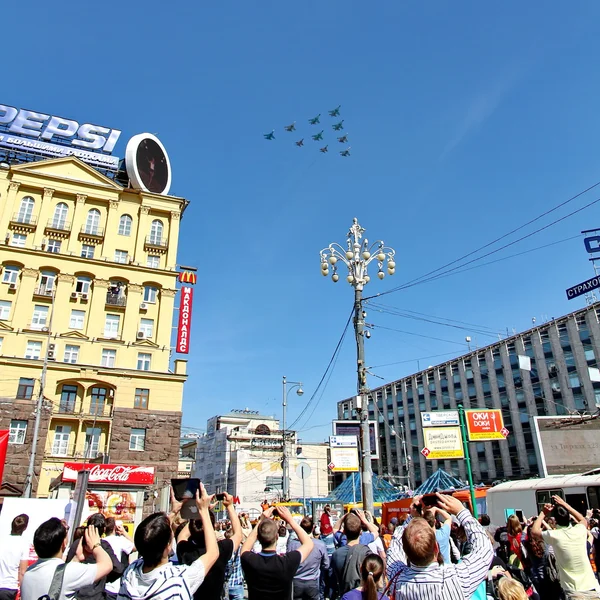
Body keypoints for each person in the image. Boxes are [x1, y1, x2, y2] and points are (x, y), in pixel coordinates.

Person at [118, 484, 219, 600]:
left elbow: (151, 539)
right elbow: (212, 553)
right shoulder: (177, 579)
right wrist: (204, 511)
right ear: (168, 547)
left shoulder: (130, 573)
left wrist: (174, 512)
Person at [386, 493, 493, 599]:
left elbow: (395, 546)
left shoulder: (397, 579)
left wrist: (412, 516)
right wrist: (461, 511)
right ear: (436, 548)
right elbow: (484, 549)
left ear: (406, 552)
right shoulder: (456, 579)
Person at [21, 520, 113, 600]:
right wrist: (96, 545)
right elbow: (107, 565)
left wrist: (76, 558)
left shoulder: (28, 573)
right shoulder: (69, 572)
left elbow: (60, 577)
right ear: (63, 544)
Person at [531, 495, 600, 599]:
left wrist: (543, 512)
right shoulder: (579, 530)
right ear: (569, 517)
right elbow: (583, 520)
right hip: (592, 587)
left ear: (556, 521)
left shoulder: (555, 535)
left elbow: (534, 531)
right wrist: (564, 504)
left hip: (573, 591)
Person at [177, 491, 243, 600]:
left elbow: (182, 536)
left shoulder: (185, 550)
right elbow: (238, 535)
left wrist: (202, 510)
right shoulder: (221, 549)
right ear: (212, 527)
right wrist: (230, 506)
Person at [241, 505, 313, 600]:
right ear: (277, 537)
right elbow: (309, 544)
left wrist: (260, 521)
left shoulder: (251, 560)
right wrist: (290, 520)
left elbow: (245, 547)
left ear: (258, 538)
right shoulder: (287, 562)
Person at [65, 513, 125, 600]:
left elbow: (69, 566)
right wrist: (103, 575)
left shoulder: (77, 544)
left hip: (76, 593)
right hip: (96, 594)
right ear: (104, 529)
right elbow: (118, 569)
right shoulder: (103, 546)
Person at [331, 512, 374, 597]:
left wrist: (343, 518)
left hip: (344, 593)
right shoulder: (364, 543)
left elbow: (335, 529)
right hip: (362, 594)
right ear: (361, 532)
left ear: (344, 531)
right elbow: (375, 531)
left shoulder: (337, 553)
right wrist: (364, 520)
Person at [287, 517, 329, 600]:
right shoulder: (320, 545)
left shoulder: (292, 545)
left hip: (296, 581)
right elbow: (326, 565)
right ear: (313, 528)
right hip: (312, 581)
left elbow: (288, 564)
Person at [103, 518, 135, 600]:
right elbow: (135, 546)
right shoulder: (120, 541)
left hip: (102, 584)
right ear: (114, 528)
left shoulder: (101, 541)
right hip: (116, 585)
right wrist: (124, 532)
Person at [0, 514, 30, 600]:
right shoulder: (24, 544)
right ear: (25, 528)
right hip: (9, 587)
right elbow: (22, 572)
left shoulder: (2, 540)